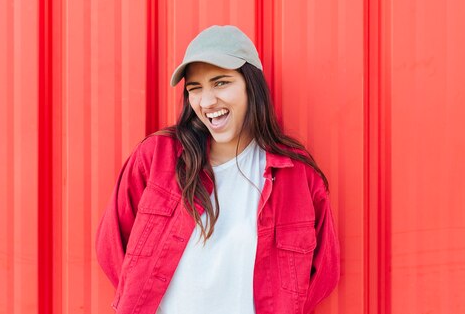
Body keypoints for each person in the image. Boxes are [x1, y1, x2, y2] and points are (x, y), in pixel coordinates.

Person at [95, 25, 340, 314]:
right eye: (195, 88)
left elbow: (325, 270)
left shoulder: (296, 174)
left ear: (251, 85)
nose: (207, 101)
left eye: (221, 82)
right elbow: (111, 245)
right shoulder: (156, 158)